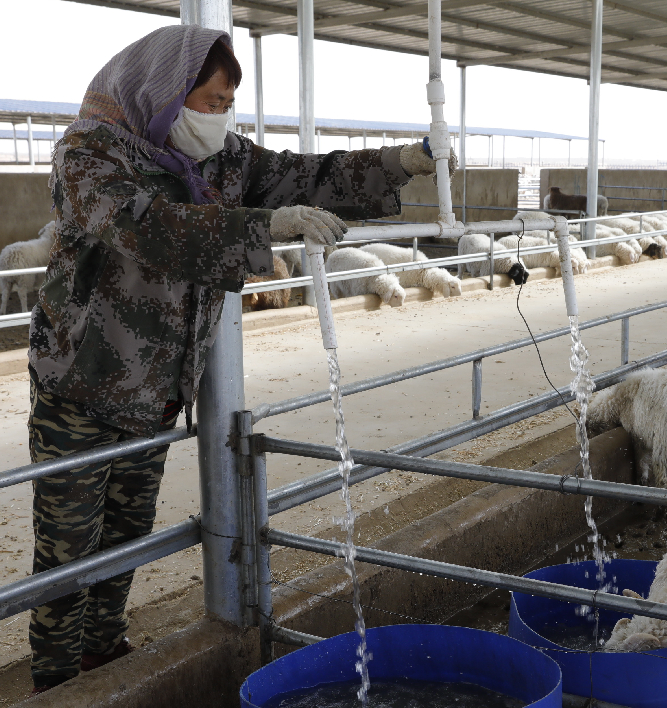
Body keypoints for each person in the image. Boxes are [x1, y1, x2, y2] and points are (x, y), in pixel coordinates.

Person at [26, 24, 454, 695]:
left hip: (157, 387)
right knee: (67, 548)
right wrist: (265, 228)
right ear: (164, 95)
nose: (219, 117)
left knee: (126, 536)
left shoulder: (224, 160)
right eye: (208, 101)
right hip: (80, 386)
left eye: (228, 104)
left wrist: (403, 161)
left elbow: (305, 174)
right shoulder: (90, 156)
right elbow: (145, 229)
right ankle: (55, 682)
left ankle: (102, 656)